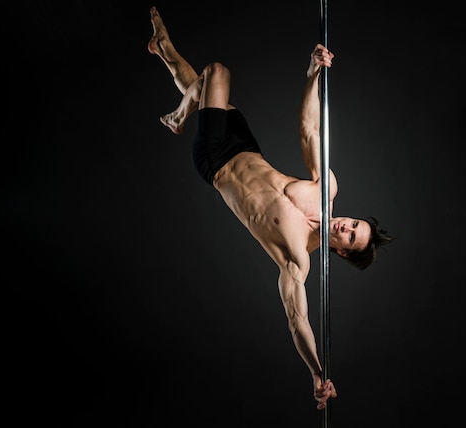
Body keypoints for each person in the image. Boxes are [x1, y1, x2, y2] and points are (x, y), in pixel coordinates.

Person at [148, 6, 393, 410]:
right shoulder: (325, 188)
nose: (345, 226)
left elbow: (298, 322)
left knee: (215, 74)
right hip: (246, 146)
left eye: (350, 235)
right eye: (353, 223)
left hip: (216, 163)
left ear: (342, 252)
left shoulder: (297, 259)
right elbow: (308, 128)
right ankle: (163, 49)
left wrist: (317, 373)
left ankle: (178, 119)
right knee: (199, 84)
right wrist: (313, 74)